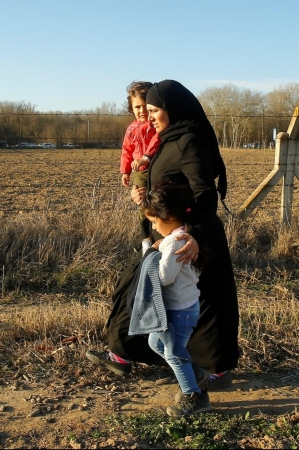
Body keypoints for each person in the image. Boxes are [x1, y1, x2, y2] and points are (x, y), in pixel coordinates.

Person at [87, 79, 239, 390]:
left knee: (208, 303)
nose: (150, 116)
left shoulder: (190, 141)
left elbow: (205, 194)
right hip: (167, 231)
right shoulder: (169, 139)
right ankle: (124, 353)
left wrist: (194, 235)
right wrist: (143, 193)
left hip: (193, 236)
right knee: (143, 289)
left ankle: (216, 369)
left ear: (173, 109)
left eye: (155, 110)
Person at [130, 180, 212, 416]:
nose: (154, 227)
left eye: (155, 221)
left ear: (168, 217)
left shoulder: (175, 242)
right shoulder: (175, 237)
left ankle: (194, 397)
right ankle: (196, 375)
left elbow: (165, 277)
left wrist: (151, 254)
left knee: (174, 353)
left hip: (180, 311)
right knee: (155, 343)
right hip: (177, 308)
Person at [120, 81, 160, 238]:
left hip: (155, 167)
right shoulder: (131, 129)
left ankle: (159, 233)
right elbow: (126, 150)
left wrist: (146, 157)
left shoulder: (155, 124)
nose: (142, 110)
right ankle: (146, 237)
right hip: (140, 172)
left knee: (157, 202)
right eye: (137, 107)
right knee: (142, 203)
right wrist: (125, 171)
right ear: (131, 108)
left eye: (145, 105)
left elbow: (157, 140)